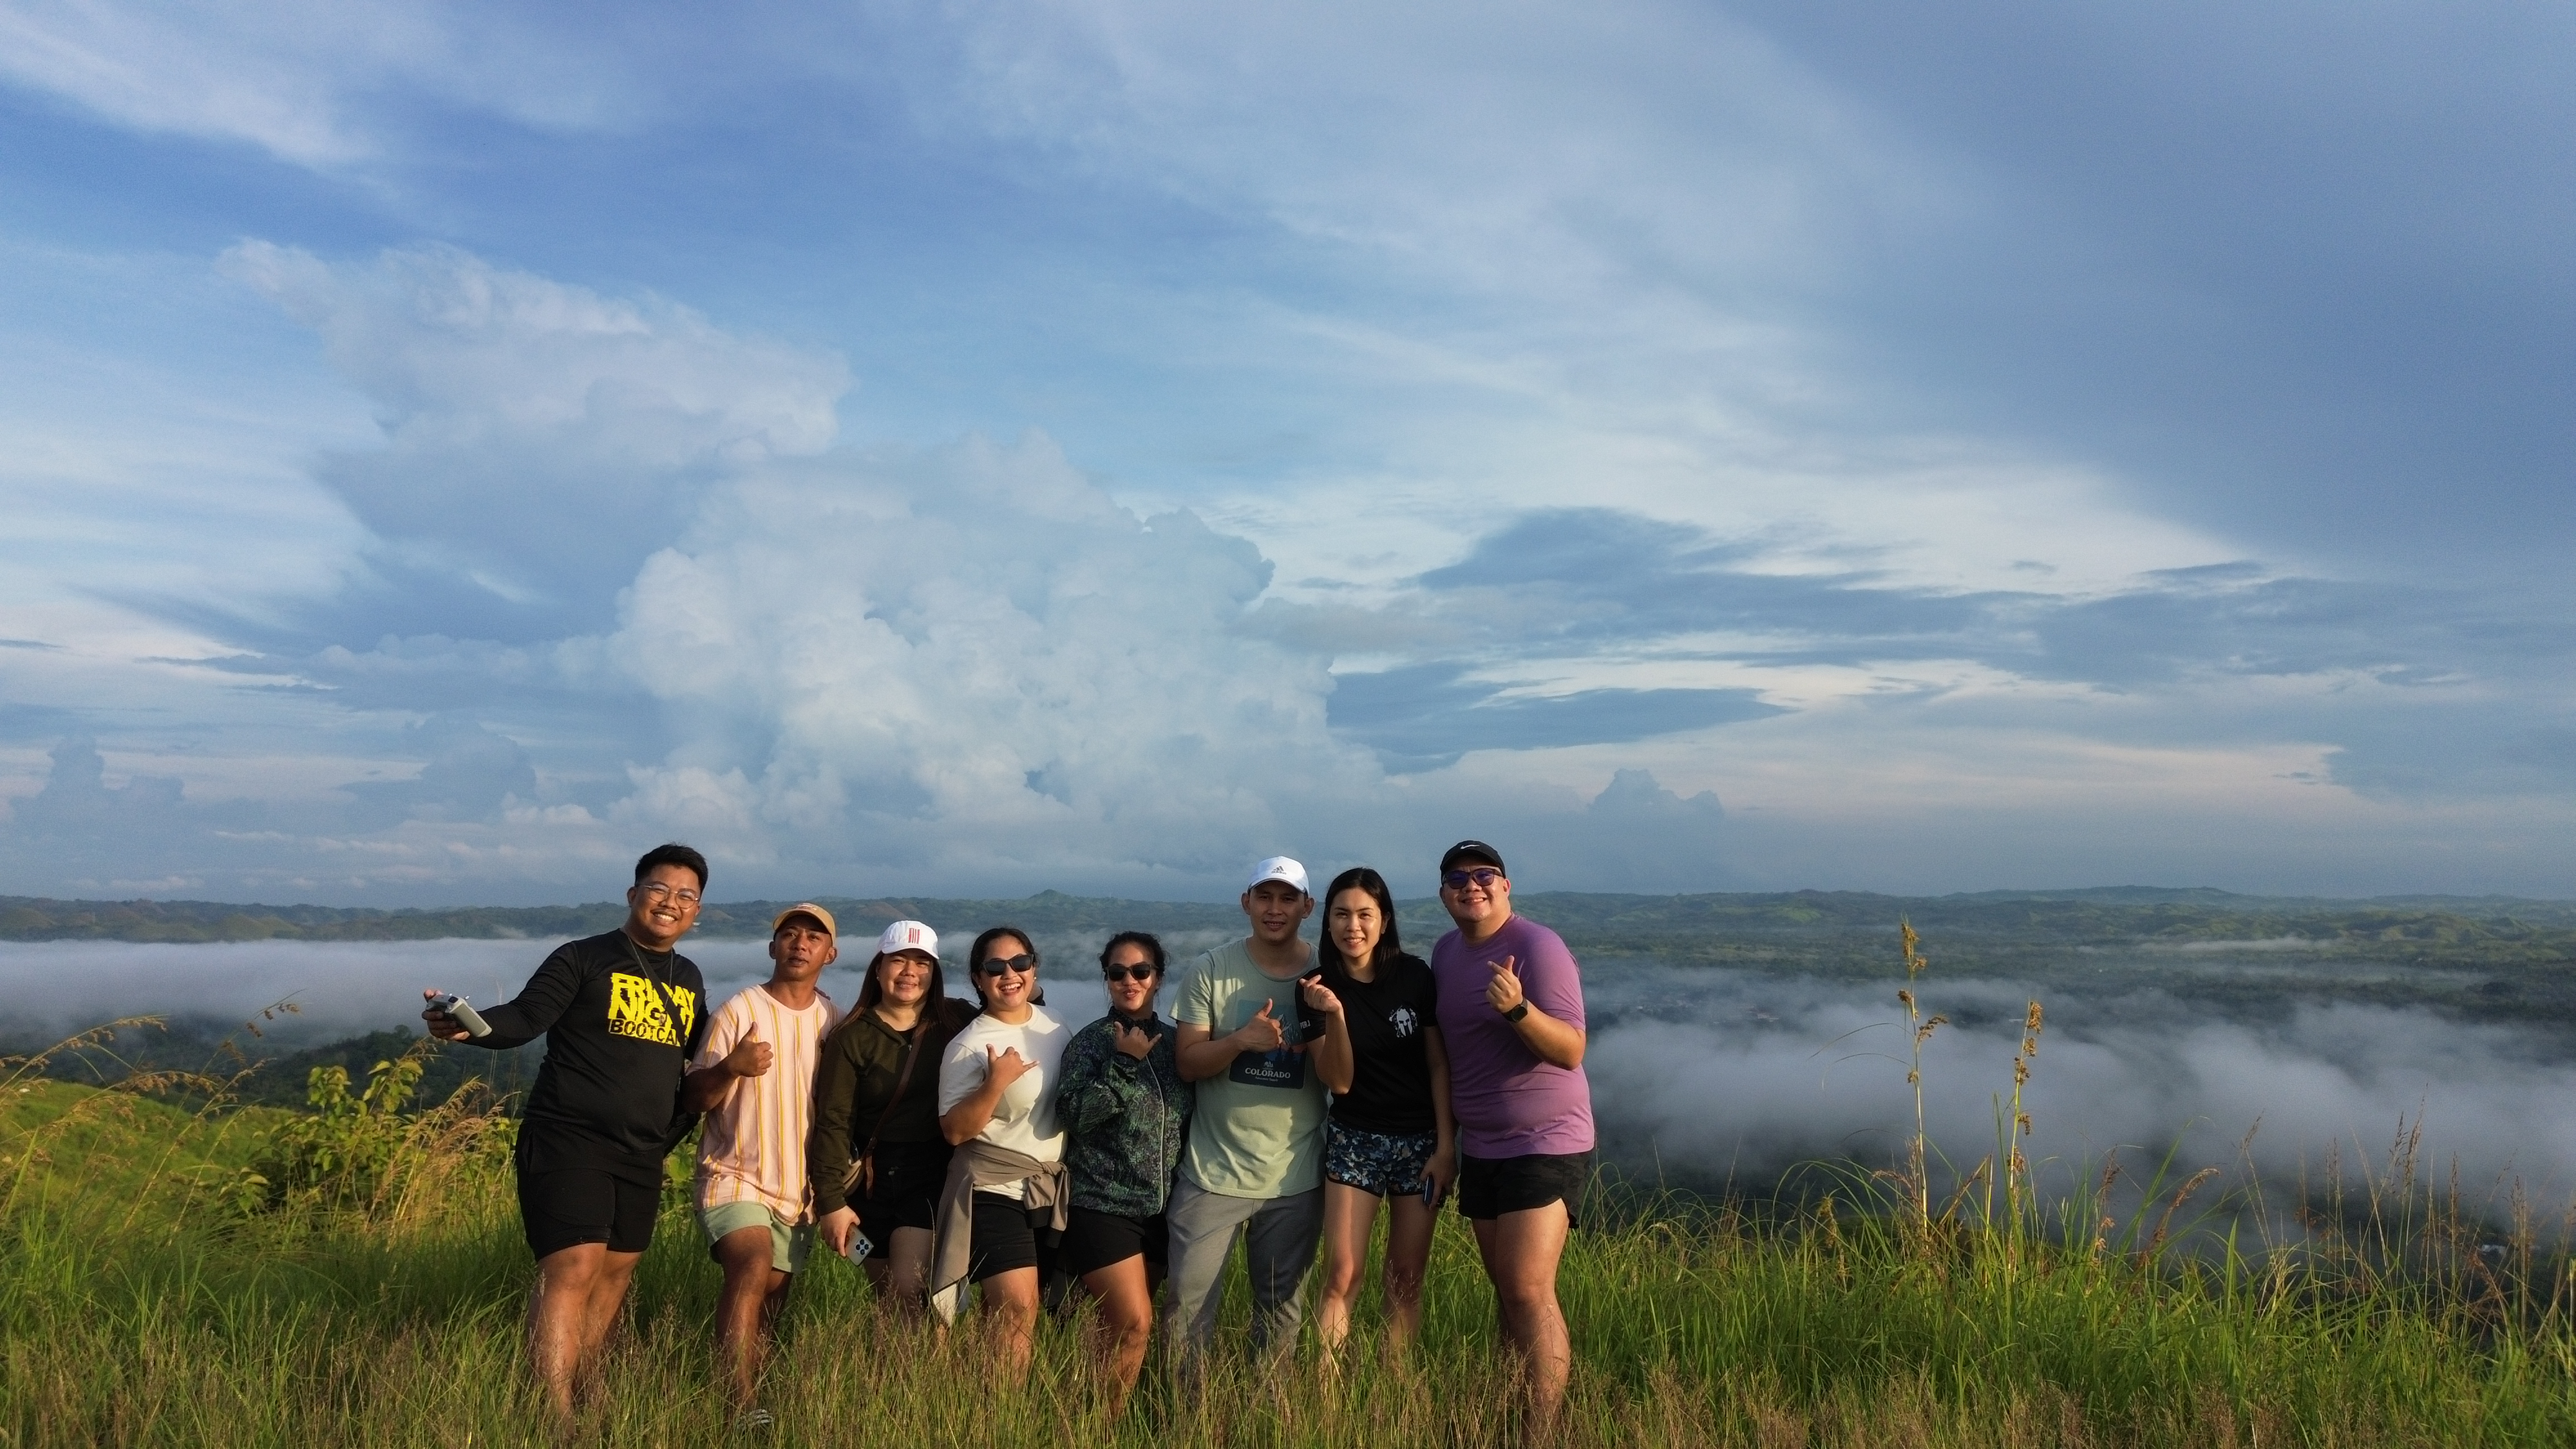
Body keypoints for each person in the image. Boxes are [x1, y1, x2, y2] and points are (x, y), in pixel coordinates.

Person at [420, 842, 713, 1423]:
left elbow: (697, 1059)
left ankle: (589, 1393)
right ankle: (553, 1418)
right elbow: (524, 1018)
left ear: (697, 912)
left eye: (685, 896)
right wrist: (469, 1027)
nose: (670, 902)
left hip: (643, 1151)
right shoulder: (583, 957)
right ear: (633, 895)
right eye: (658, 889)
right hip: (568, 1138)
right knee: (574, 1266)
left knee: (616, 1272)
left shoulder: (690, 977)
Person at [1427, 840, 1593, 1437]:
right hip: (1485, 1145)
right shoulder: (1446, 953)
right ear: (1443, 893)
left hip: (1546, 1137)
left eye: (1484, 875)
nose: (1472, 886)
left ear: (1506, 885)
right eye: (1458, 879)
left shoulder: (1536, 946)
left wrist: (1519, 1009)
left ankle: (1540, 1432)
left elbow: (1572, 1050)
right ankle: (1511, 1415)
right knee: (1507, 1293)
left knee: (1527, 1288)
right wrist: (1448, 1144)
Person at [1166, 857, 1352, 1372]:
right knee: (1187, 1310)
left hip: (1294, 1176)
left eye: (1288, 898)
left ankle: (1267, 1418)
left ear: (1307, 907)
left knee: (1279, 1315)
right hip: (1212, 1173)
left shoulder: (1325, 976)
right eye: (1265, 897)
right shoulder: (1211, 969)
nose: (1275, 909)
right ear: (1246, 902)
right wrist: (1242, 1040)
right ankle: (1189, 1422)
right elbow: (1187, 1063)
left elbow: (1338, 1075)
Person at [681, 903, 844, 1423]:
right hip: (734, 1176)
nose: (800, 943)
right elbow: (695, 1097)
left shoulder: (833, 1020)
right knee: (750, 1268)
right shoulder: (739, 1010)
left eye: (813, 938)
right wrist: (733, 1067)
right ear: (772, 948)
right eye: (789, 935)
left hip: (798, 1192)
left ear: (830, 954)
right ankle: (738, 1405)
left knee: (772, 1302)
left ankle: (760, 1404)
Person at [1312, 866, 1455, 1361]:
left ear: (1385, 920)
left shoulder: (1415, 977)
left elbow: (1439, 1065)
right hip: (1355, 1138)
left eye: (1365, 914)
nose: (1353, 925)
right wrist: (1333, 1014)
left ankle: (1393, 1395)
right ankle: (1323, 1404)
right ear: (1327, 923)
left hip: (1420, 1144)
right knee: (1342, 1274)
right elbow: (1339, 1081)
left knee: (1406, 1279)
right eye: (1342, 914)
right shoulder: (1315, 987)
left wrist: (1445, 1147)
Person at [1053, 931, 1192, 1413]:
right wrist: (1124, 1066)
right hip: (1101, 1205)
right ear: (1106, 978)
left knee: (1116, 1329)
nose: (1129, 981)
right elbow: (1073, 1115)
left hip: (1162, 1210)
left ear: (1158, 978)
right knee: (1134, 1324)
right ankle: (1100, 1429)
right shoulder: (1092, 1042)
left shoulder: (1177, 1043)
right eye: (1117, 973)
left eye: (1141, 972)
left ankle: (1082, 1415)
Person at [926, 927, 1072, 1380]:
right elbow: (953, 1131)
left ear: (1034, 967)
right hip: (992, 1187)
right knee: (1018, 1309)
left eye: (1020, 963)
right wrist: (995, 1083)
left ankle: (983, 1405)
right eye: (995, 967)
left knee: (1006, 1314)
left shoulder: (1057, 1028)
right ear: (977, 978)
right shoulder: (969, 1045)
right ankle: (1004, 1410)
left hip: (1046, 1189)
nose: (1009, 974)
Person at [808, 920, 974, 1317]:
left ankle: (909, 1375)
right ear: (879, 968)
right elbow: (834, 1122)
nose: (909, 973)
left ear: (934, 974)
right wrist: (830, 1202)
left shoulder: (956, 1022)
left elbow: (1008, 1017)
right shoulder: (851, 1038)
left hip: (930, 1173)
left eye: (922, 963)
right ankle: (894, 1376)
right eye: (899, 960)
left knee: (907, 1288)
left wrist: (1032, 991)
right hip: (867, 1184)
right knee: (887, 1293)